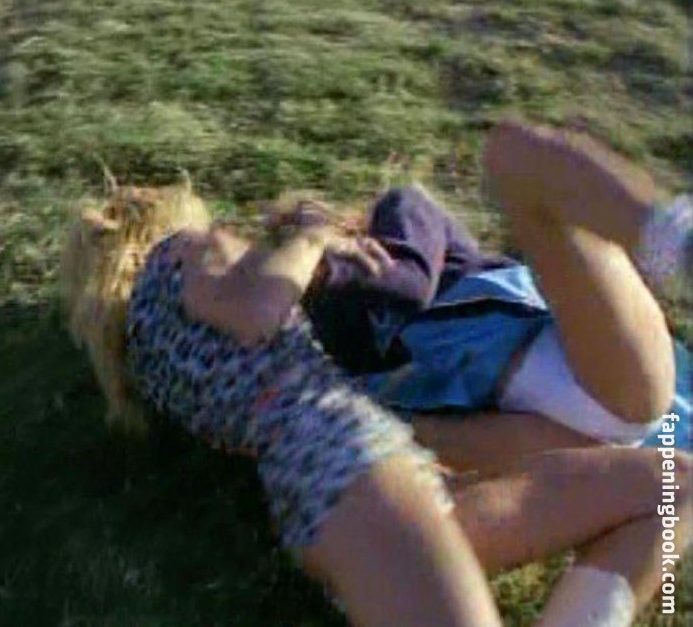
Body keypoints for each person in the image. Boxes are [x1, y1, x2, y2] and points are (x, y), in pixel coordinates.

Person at [59, 130, 691, 625]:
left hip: (365, 487)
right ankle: (670, 236)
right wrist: (310, 240)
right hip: (362, 464)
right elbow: (258, 313)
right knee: (514, 155)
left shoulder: (151, 355)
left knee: (674, 483)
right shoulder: (195, 256)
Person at [288, 120, 691, 469]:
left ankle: (674, 240)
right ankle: (673, 238)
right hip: (574, 419)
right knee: (512, 153)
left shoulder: (400, 213)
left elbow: (408, 283)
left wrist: (316, 262)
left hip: (575, 403)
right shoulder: (323, 337)